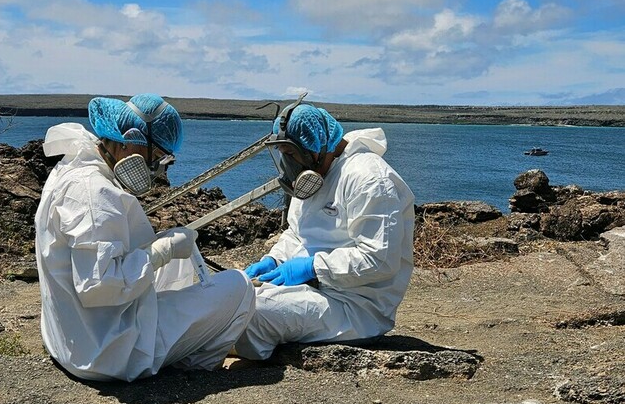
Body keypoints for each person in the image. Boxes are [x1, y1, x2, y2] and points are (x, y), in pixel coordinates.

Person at [35, 93, 255, 381]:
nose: (158, 167)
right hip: (107, 353)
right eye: (158, 156)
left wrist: (163, 248)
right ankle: (193, 365)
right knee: (240, 286)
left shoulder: (78, 165)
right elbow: (97, 286)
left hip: (75, 338)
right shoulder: (94, 192)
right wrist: (162, 251)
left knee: (174, 258)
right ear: (130, 141)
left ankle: (176, 339)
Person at [234, 102, 415, 360]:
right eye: (283, 154)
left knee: (252, 314)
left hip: (354, 306)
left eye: (291, 153)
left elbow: (379, 260)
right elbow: (297, 232)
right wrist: (274, 259)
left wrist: (312, 268)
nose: (288, 164)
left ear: (317, 146)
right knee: (230, 298)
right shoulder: (316, 174)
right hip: (315, 288)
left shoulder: (369, 179)